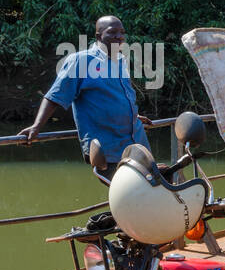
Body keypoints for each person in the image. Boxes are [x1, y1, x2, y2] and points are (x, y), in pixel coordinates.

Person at [19, 15, 151, 176]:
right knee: (129, 196)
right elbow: (55, 95)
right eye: (112, 32)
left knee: (151, 192)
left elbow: (116, 97)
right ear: (98, 36)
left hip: (137, 143)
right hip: (108, 150)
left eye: (122, 32)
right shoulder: (81, 61)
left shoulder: (120, 60)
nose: (119, 36)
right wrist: (37, 126)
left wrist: (132, 116)